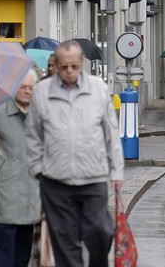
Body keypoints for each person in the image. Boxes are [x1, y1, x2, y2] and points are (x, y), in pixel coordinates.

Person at [26, 39, 124, 267]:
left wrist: (116, 171)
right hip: (55, 180)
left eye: (74, 66)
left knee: (101, 231)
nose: (69, 71)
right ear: (56, 65)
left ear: (81, 63)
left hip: (93, 177)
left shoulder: (98, 88)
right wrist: (38, 169)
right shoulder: (41, 92)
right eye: (63, 66)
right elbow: (33, 135)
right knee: (65, 241)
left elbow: (111, 132)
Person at [0, 69, 41, 267]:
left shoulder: (39, 114)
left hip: (30, 197)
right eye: (22, 87)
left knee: (22, 257)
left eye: (30, 87)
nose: (27, 91)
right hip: (5, 195)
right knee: (3, 258)